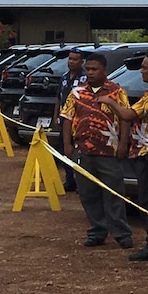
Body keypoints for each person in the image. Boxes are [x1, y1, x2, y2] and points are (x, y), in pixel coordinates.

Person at [97, 48, 148, 261]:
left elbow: (129, 114)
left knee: (147, 200)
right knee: (146, 198)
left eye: (145, 68)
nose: (141, 71)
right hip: (145, 149)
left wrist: (110, 102)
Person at [61, 52, 133, 249]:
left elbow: (125, 119)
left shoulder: (117, 92)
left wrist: (123, 144)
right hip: (83, 151)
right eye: (88, 69)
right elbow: (67, 118)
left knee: (114, 193)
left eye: (95, 69)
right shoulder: (77, 92)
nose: (90, 73)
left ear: (104, 71)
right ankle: (97, 231)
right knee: (87, 193)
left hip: (109, 151)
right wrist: (67, 145)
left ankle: (122, 234)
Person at [53, 47, 86, 192]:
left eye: (75, 59)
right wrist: (56, 116)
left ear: (82, 61)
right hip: (65, 120)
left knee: (79, 151)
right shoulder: (64, 77)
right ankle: (69, 179)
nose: (71, 62)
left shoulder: (85, 79)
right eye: (70, 58)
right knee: (64, 149)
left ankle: (81, 182)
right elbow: (59, 98)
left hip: (78, 121)